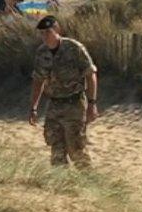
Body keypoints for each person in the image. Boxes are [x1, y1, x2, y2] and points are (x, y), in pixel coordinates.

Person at [29, 16, 99, 168]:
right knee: (56, 150)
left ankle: (89, 184)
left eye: (48, 32)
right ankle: (64, 187)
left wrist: (92, 103)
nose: (45, 36)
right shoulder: (41, 53)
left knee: (77, 149)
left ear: (57, 30)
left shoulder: (74, 48)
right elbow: (38, 80)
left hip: (75, 104)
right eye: (41, 33)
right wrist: (34, 107)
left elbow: (90, 74)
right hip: (54, 105)